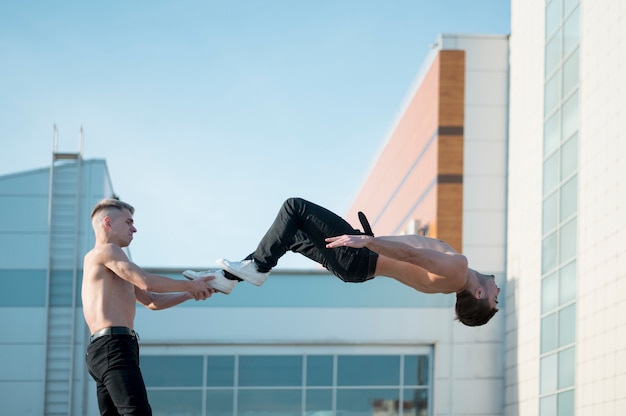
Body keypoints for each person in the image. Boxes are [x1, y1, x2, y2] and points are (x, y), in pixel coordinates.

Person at [185, 197, 500, 327]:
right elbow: (408, 257)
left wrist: (367, 241)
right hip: (356, 266)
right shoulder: (446, 285)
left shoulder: (457, 270)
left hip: (360, 255)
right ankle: (231, 278)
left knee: (294, 208)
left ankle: (255, 269)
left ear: (479, 295)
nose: (498, 288)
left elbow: (411, 255)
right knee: (289, 235)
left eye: (496, 298)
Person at [82, 198, 224, 415]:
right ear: (108, 223)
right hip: (114, 346)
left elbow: (151, 301)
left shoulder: (108, 263)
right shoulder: (107, 251)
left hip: (104, 349)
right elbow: (145, 281)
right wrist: (191, 284)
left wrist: (190, 292)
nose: (134, 228)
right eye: (129, 222)